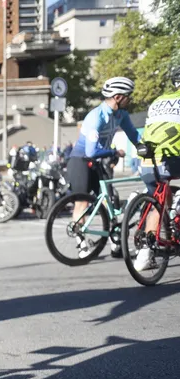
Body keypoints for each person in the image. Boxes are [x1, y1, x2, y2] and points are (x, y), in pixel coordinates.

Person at [67, 77, 140, 258]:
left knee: (110, 201)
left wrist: (147, 147)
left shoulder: (121, 115)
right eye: (127, 96)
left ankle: (116, 243)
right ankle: (82, 243)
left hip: (99, 162)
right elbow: (91, 151)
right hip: (80, 160)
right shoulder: (96, 116)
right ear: (117, 97)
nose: (130, 99)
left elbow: (134, 135)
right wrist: (114, 152)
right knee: (82, 202)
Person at [133, 67, 180, 271]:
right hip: (172, 158)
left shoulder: (158, 101)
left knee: (157, 202)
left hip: (147, 162)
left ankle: (145, 255)